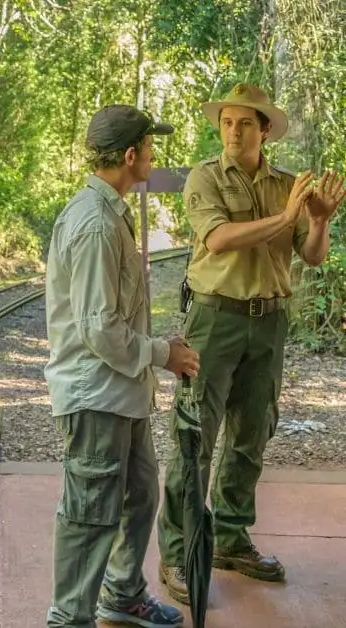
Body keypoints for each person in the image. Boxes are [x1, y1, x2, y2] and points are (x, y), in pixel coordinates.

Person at [156, 83, 346, 603]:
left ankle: (231, 538)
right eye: (226, 123)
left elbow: (310, 256)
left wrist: (319, 219)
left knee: (252, 432)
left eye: (245, 124)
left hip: (268, 320)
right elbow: (217, 239)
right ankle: (178, 552)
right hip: (215, 319)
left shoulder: (287, 186)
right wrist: (286, 217)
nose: (234, 132)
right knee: (195, 436)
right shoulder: (205, 177)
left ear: (265, 131)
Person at [44, 104, 201, 628]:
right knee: (90, 514)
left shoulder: (113, 213)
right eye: (150, 148)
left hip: (121, 392)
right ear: (131, 155)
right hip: (96, 396)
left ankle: (122, 593)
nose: (154, 157)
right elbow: (99, 329)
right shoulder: (95, 225)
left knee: (139, 493)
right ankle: (69, 618)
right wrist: (163, 354)